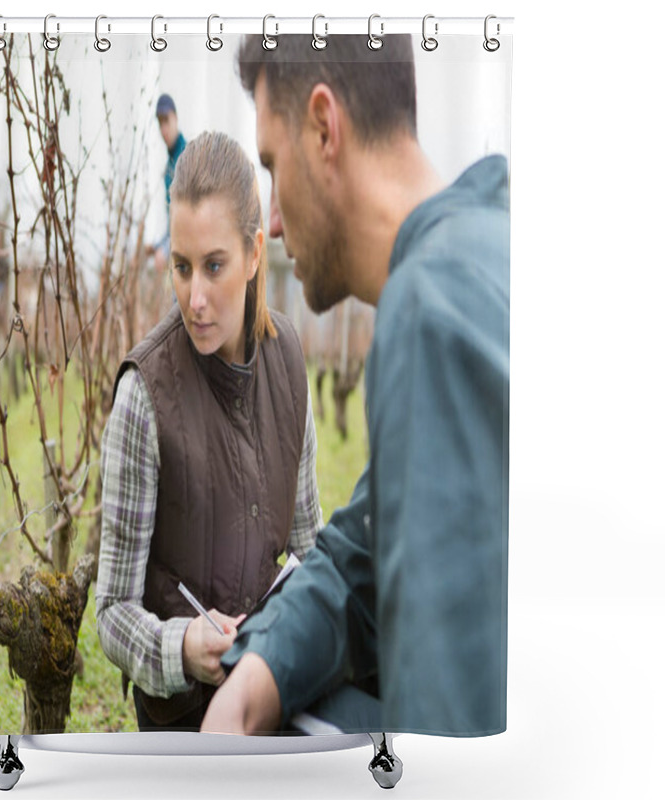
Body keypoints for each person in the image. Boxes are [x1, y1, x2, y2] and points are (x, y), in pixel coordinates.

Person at [201, 34, 510, 736]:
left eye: (274, 168)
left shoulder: (427, 313)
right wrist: (258, 675)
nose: (272, 223)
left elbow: (448, 738)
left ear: (324, 126)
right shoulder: (487, 249)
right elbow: (365, 546)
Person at [96, 130, 324, 731]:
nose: (194, 298)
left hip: (275, 695)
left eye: (214, 266)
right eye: (181, 267)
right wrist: (181, 648)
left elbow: (309, 548)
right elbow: (112, 610)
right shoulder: (144, 396)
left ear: (253, 255)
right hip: (183, 727)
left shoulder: (290, 366)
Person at [145, 93, 186, 273]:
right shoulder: (168, 167)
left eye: (167, 121)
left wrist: (165, 248)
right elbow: (173, 222)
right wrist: (157, 245)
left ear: (176, 118)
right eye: (160, 123)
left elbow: (187, 218)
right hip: (175, 249)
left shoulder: (187, 158)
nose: (164, 129)